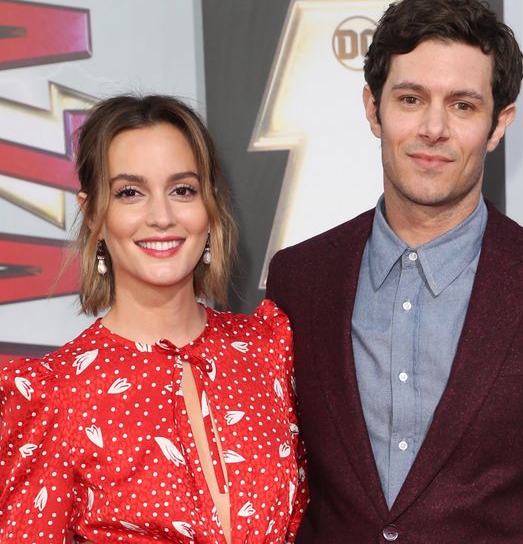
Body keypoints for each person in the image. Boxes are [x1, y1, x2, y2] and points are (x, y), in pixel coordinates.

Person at [266, 0, 523, 543]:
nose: (433, 129)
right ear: (373, 108)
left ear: (499, 124)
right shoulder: (298, 280)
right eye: (411, 99)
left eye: (463, 105)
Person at [0, 95, 307, 542]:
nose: (161, 217)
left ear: (210, 207)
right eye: (130, 193)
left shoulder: (267, 349)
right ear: (93, 215)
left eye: (182, 190)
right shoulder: (54, 395)